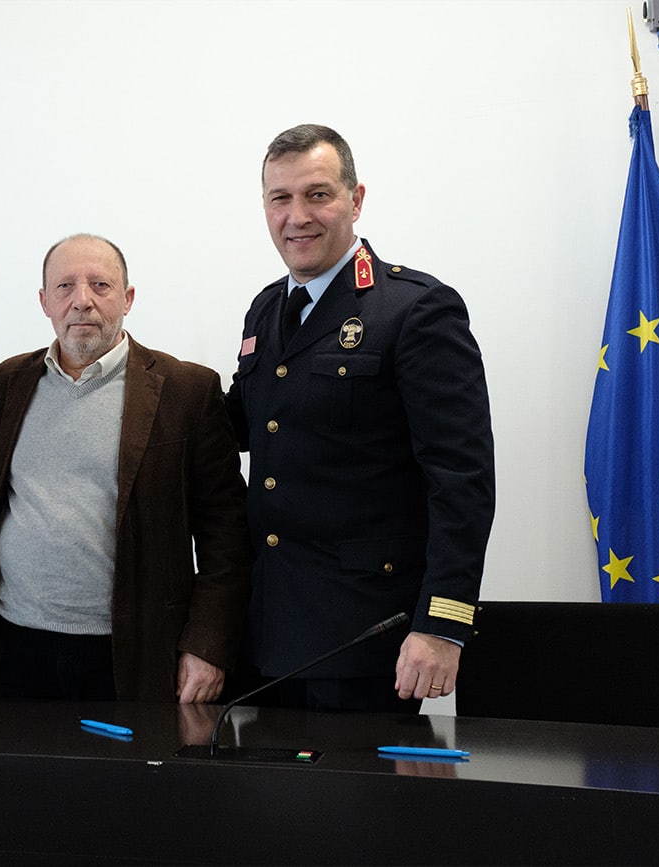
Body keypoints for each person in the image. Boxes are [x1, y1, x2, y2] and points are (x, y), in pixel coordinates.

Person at [226, 124, 495, 712]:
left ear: (356, 199)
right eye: (280, 198)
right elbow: (242, 426)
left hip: (366, 636)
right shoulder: (266, 309)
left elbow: (462, 480)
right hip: (267, 631)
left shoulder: (415, 309)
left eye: (317, 194)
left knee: (357, 779)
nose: (297, 216)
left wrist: (442, 625)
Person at [0, 233, 249, 703]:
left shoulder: (186, 391)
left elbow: (227, 535)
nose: (82, 300)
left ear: (128, 298)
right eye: (65, 287)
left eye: (100, 285)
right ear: (44, 301)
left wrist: (208, 645)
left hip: (133, 651)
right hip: (14, 647)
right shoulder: (7, 383)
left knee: (134, 757)